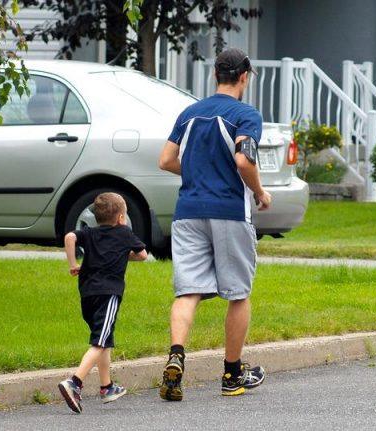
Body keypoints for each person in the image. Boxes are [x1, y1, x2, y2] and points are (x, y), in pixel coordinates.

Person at [157, 48, 272, 400]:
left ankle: (176, 356)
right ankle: (231, 375)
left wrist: (197, 172)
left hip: (188, 211)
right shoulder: (245, 115)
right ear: (244, 77)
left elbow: (165, 160)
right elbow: (244, 160)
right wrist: (260, 192)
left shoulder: (190, 113)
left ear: (214, 75)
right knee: (238, 293)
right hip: (228, 212)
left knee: (188, 290)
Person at [58, 192, 149, 413]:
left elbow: (70, 237)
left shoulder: (89, 233)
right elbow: (143, 254)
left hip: (87, 294)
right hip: (108, 294)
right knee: (99, 342)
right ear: (120, 218)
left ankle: (107, 386)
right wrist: (123, 254)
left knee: (105, 339)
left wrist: (73, 263)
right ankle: (75, 382)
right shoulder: (125, 233)